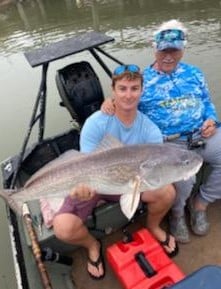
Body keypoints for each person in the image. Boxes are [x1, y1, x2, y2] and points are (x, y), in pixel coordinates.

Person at [101, 19, 221, 244]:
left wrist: (211, 119)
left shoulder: (194, 73)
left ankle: (201, 204)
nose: (168, 56)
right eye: (164, 50)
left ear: (182, 49)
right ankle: (176, 214)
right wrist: (110, 101)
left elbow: (207, 102)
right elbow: (126, 100)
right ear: (154, 49)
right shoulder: (143, 81)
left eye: (174, 50)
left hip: (204, 134)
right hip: (169, 144)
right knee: (184, 179)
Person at [53, 65, 177, 280]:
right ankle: (92, 245)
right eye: (122, 88)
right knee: (63, 228)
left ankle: (153, 226)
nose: (128, 95)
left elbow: (157, 167)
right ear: (113, 90)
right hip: (97, 183)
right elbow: (86, 167)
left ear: (141, 91)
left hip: (133, 181)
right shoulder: (95, 123)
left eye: (134, 88)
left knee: (168, 192)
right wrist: (81, 189)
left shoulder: (150, 129)